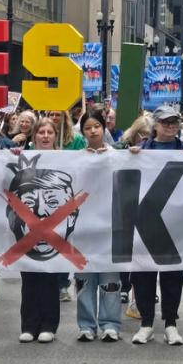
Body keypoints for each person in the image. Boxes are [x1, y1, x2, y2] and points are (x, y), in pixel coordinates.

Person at [127, 103, 183, 345]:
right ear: (155, 125)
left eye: (175, 122)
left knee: (172, 275)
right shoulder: (140, 150)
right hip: (144, 222)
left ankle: (170, 323)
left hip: (176, 224)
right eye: (166, 122)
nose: (171, 126)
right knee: (143, 274)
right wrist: (129, 156)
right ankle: (146, 323)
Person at [75, 108, 122, 343]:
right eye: (87, 127)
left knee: (110, 280)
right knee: (85, 279)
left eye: (96, 126)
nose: (93, 131)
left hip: (111, 226)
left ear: (104, 128)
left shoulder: (118, 156)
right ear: (82, 131)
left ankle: (110, 323)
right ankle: (86, 324)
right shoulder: (75, 157)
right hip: (83, 228)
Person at [17, 118, 65, 343]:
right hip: (28, 227)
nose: (45, 136)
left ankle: (48, 325)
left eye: (50, 132)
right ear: (34, 135)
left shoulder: (68, 160)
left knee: (50, 277)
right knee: (29, 276)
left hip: (55, 227)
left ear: (56, 136)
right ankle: (28, 324)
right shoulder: (20, 158)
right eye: (41, 132)